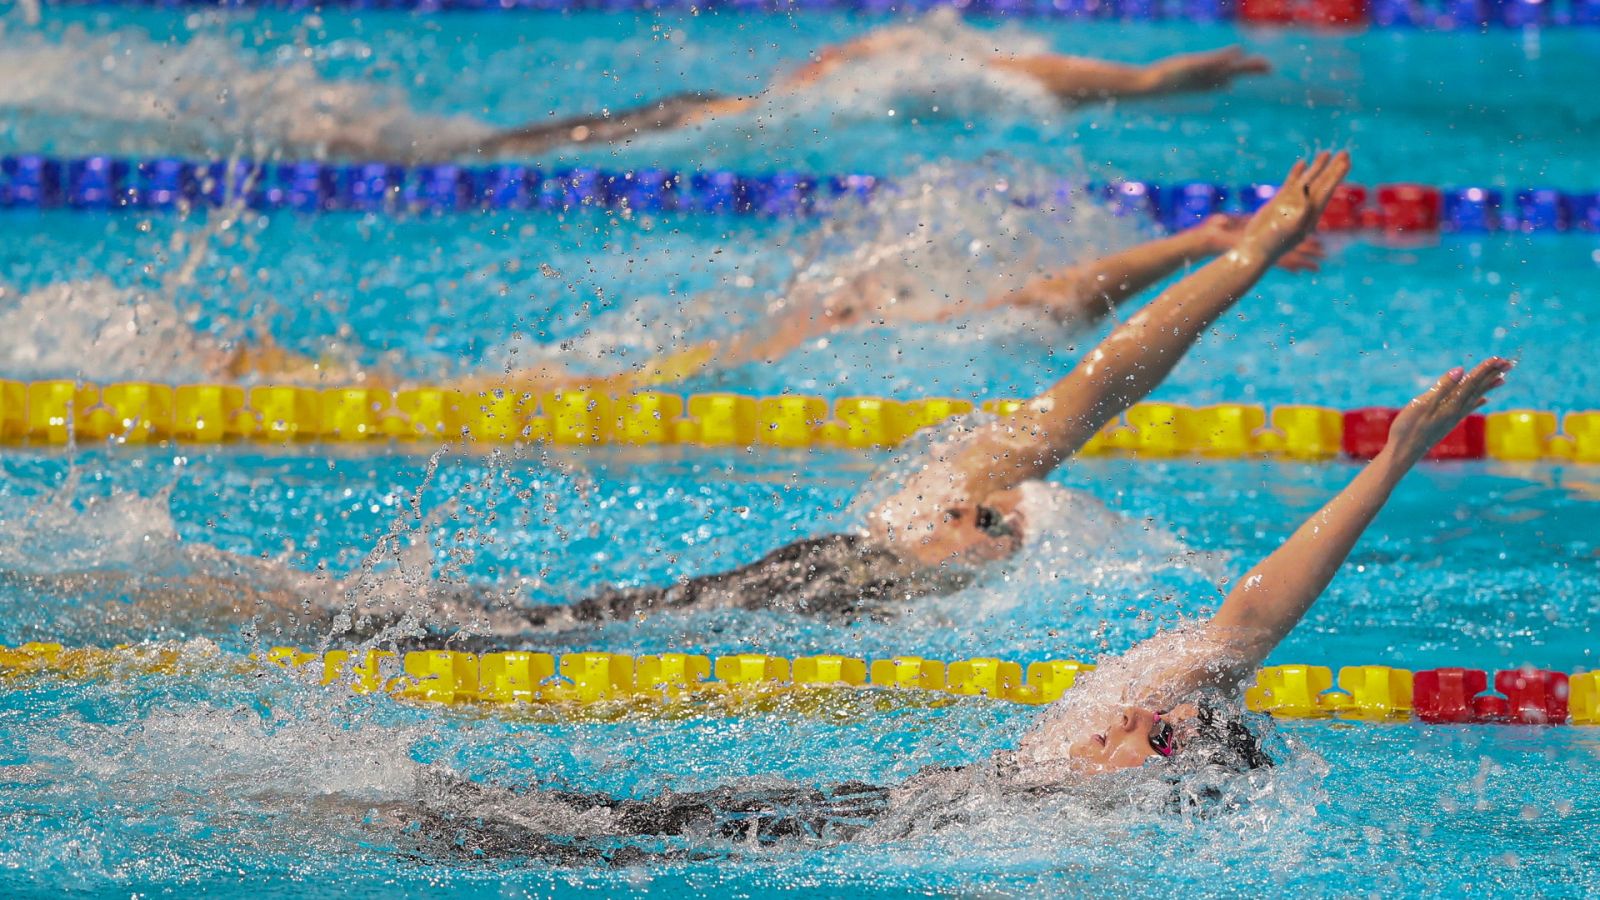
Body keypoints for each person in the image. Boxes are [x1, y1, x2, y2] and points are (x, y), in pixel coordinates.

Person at [361, 354, 1513, 866]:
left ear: (1176, 792)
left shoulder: (1077, 833)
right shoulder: (1059, 774)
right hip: (801, 816)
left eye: (1160, 739)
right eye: (1160, 716)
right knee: (548, 821)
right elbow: (1247, 623)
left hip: (793, 840)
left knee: (543, 836)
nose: (1134, 719)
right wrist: (1393, 457)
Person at [529, 152, 1350, 627]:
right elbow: (1110, 370)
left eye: (992, 522)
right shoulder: (918, 507)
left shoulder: (940, 594)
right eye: (986, 504)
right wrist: (1239, 256)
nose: (965, 510)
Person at [460, 32, 1269, 160]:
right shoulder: (966, 74)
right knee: (498, 156)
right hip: (692, 122)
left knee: (496, 152)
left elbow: (833, 59)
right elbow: (1046, 77)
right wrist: (1151, 82)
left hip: (702, 111)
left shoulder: (923, 59)